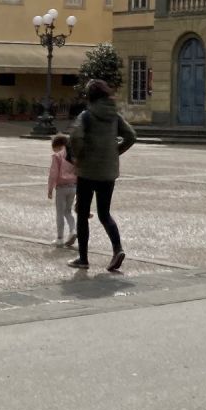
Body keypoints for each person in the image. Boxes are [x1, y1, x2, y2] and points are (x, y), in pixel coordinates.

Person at [67, 79, 137, 272]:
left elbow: (75, 137)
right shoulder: (114, 115)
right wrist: (116, 152)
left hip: (88, 171)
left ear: (90, 97)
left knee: (82, 213)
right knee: (104, 213)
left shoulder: (87, 115)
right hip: (108, 172)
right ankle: (118, 249)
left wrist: (79, 156)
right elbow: (131, 136)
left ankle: (83, 258)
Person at [47, 132, 78, 249]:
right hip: (73, 186)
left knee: (60, 213)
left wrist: (50, 188)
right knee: (68, 211)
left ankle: (60, 238)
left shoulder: (57, 156)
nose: (53, 151)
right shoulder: (74, 155)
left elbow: (53, 173)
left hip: (61, 188)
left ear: (58, 145)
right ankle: (73, 230)